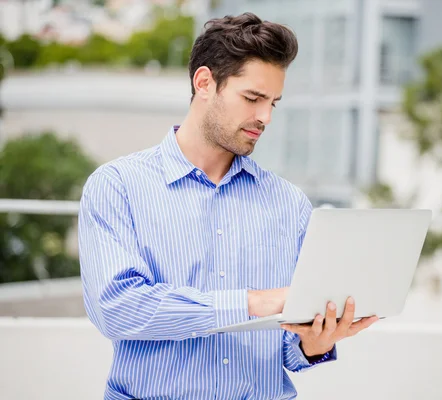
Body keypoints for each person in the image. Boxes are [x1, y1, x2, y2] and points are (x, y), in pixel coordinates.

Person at [78, 12, 378, 400]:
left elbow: (288, 348)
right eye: (253, 98)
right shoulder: (118, 186)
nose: (265, 117)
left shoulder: (288, 203)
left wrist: (315, 341)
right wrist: (251, 303)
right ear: (204, 82)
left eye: (273, 102)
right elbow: (118, 308)